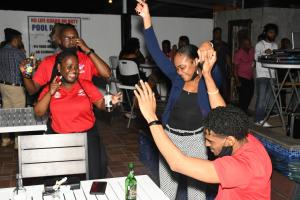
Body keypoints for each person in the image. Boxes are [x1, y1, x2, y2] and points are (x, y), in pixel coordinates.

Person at [135, 1, 223, 199]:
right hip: (170, 138)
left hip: (197, 141)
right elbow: (156, 52)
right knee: (166, 191)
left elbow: (214, 63)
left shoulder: (208, 79)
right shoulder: (176, 78)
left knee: (196, 194)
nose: (179, 71)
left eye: (183, 67)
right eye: (176, 67)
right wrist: (147, 18)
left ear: (196, 62)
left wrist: (208, 44)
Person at [134, 82, 272, 200]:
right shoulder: (244, 138)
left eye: (210, 141)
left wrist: (151, 118)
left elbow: (177, 163)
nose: (206, 144)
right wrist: (207, 74)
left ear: (229, 140)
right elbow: (221, 111)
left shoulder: (240, 167)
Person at [34, 49, 122, 179]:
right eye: (69, 67)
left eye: (76, 67)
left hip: (87, 137)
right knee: (62, 180)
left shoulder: (85, 84)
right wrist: (50, 92)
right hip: (61, 139)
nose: (73, 70)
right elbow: (38, 111)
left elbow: (101, 104)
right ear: (59, 68)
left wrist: (112, 101)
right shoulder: (51, 87)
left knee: (93, 178)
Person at [20, 23, 111, 96]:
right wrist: (26, 75)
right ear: (59, 40)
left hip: (84, 115)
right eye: (67, 38)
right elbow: (32, 90)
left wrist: (87, 50)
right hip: (59, 116)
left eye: (74, 37)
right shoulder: (49, 62)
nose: (71, 40)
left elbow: (107, 74)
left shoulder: (86, 59)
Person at [0, 28, 26, 147]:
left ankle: (5, 140)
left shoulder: (1, 51)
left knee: (6, 113)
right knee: (18, 115)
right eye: (20, 39)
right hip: (16, 87)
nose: (21, 41)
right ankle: (17, 142)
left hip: (3, 86)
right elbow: (27, 71)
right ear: (15, 39)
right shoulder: (18, 52)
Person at [254, 23, 278, 127]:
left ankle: (261, 118)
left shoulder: (275, 45)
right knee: (261, 98)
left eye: (274, 33)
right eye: (270, 32)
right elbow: (256, 57)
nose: (272, 34)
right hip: (262, 75)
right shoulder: (260, 44)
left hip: (272, 75)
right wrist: (265, 52)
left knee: (267, 99)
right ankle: (258, 120)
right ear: (266, 33)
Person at [233, 37, 255, 113]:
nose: (250, 45)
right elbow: (235, 67)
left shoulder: (252, 51)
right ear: (243, 45)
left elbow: (254, 60)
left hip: (250, 77)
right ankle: (241, 113)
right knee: (243, 96)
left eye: (250, 43)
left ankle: (244, 111)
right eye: (247, 44)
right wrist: (237, 80)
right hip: (242, 77)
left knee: (250, 94)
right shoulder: (239, 53)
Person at [211, 27, 231, 102]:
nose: (218, 35)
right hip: (212, 70)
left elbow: (227, 57)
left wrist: (230, 69)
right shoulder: (210, 44)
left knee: (224, 89)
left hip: (223, 70)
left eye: (220, 33)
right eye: (217, 33)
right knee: (213, 89)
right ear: (214, 34)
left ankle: (224, 106)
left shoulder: (224, 45)